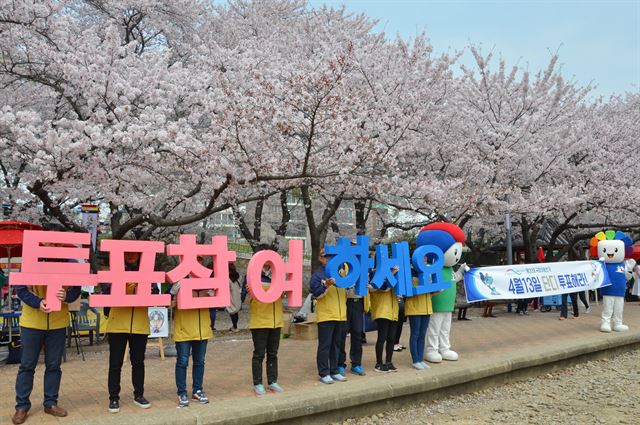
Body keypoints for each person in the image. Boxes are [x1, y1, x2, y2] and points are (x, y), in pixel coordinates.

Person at [12, 257, 81, 424]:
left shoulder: (71, 264)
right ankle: (21, 406)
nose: (52, 244)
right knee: (27, 365)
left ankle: (50, 403)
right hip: (32, 323)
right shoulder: (30, 260)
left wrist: (67, 295)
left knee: (53, 365)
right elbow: (20, 289)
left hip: (57, 323)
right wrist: (37, 302)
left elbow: (77, 290)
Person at [105, 252, 152, 413]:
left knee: (138, 362)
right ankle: (113, 398)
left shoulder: (148, 272)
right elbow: (106, 293)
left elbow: (154, 294)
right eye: (128, 253)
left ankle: (139, 395)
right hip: (117, 323)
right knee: (115, 363)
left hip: (139, 324)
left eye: (135, 253)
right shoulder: (114, 271)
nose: (132, 256)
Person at [170, 257, 214, 408]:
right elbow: (168, 299)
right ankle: (181, 392)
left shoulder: (209, 282)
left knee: (200, 362)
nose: (198, 265)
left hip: (202, 329)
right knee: (182, 362)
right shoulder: (179, 281)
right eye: (194, 261)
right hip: (184, 329)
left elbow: (217, 301)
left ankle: (198, 390)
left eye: (200, 262)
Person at [245, 250, 285, 395]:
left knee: (273, 353)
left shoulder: (278, 276)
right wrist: (249, 293)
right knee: (259, 354)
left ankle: (273, 381)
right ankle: (258, 383)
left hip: (276, 321)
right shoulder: (252, 276)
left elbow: (284, 295)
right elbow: (244, 300)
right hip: (260, 321)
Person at [310, 248, 348, 384]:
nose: (329, 259)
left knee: (336, 344)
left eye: (332, 256)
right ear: (321, 258)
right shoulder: (318, 275)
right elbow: (315, 294)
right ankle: (324, 372)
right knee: (325, 345)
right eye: (326, 257)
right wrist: (326, 285)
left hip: (340, 315)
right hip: (326, 315)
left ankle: (334, 370)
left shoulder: (341, 273)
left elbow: (347, 293)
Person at [369, 268, 400, 373]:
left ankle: (388, 362)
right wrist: (392, 274)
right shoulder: (375, 273)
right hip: (382, 310)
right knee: (382, 338)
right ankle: (378, 363)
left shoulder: (396, 273)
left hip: (393, 310)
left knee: (391, 338)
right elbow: (383, 287)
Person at [338, 272, 366, 376]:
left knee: (357, 333)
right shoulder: (343, 265)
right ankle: (340, 364)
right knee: (342, 334)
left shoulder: (363, 265)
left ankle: (356, 364)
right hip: (346, 302)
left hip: (358, 302)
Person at [405, 277, 433, 370]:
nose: (424, 261)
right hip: (414, 309)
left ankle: (420, 360)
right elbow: (407, 293)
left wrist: (436, 288)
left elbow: (431, 293)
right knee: (415, 334)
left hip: (426, 308)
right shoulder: (410, 275)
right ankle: (415, 360)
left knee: (422, 334)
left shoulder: (427, 274)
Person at [227, 263, 242, 332]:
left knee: (232, 311)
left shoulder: (227, 278)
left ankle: (235, 327)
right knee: (236, 311)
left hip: (231, 296)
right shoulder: (238, 276)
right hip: (237, 295)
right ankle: (235, 326)